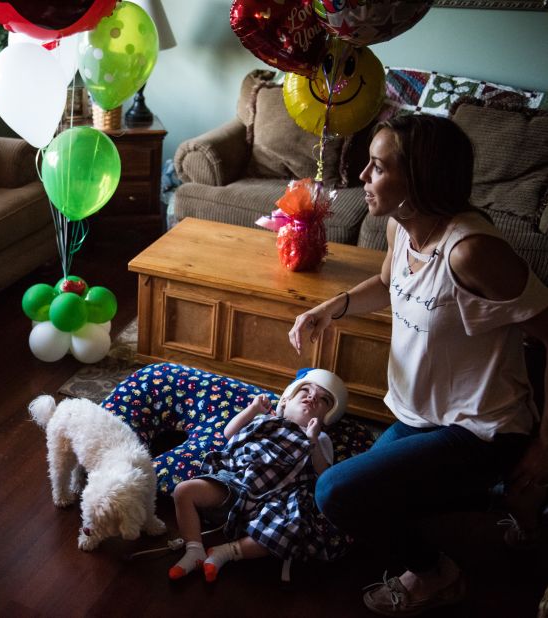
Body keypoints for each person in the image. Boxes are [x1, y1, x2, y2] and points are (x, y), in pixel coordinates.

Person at [288, 114, 548, 615]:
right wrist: (328, 309)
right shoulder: (399, 228)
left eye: (378, 167)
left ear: (419, 180)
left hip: (482, 429)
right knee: (364, 493)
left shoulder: (472, 252)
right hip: (420, 417)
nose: (362, 176)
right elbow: (387, 284)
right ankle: (499, 494)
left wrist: (544, 446)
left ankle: (438, 573)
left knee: (336, 493)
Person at [168, 368, 349, 582]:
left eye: (323, 399)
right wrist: (252, 410)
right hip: (235, 483)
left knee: (289, 531)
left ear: (328, 417)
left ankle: (226, 552)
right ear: (285, 400)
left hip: (277, 501)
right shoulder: (265, 419)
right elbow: (229, 434)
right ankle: (194, 549)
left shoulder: (321, 439)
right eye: (306, 391)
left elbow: (324, 475)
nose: (312, 397)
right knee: (184, 491)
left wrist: (313, 440)